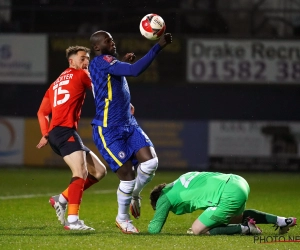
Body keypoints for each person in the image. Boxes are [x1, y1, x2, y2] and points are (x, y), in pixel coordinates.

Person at [89, 30, 172, 234]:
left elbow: (114, 83)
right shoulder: (101, 61)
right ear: (98, 47)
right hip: (108, 129)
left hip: (128, 123)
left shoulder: (109, 63)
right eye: (108, 41)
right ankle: (122, 218)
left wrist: (122, 62)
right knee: (127, 176)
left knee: (151, 162)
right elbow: (135, 71)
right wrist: (158, 46)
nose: (113, 42)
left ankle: (135, 193)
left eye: (112, 38)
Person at [36, 45, 107, 231]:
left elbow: (42, 112)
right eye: (82, 58)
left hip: (58, 133)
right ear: (71, 61)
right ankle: (73, 221)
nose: (86, 62)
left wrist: (46, 133)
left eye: (88, 59)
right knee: (80, 172)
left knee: (99, 171)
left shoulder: (55, 84)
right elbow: (101, 90)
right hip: (64, 131)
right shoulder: (81, 75)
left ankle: (61, 199)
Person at [148, 171, 297, 235]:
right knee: (234, 217)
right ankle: (282, 220)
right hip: (238, 182)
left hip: (228, 193)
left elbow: (154, 229)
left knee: (197, 230)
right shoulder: (182, 179)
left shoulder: (164, 197)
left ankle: (245, 229)